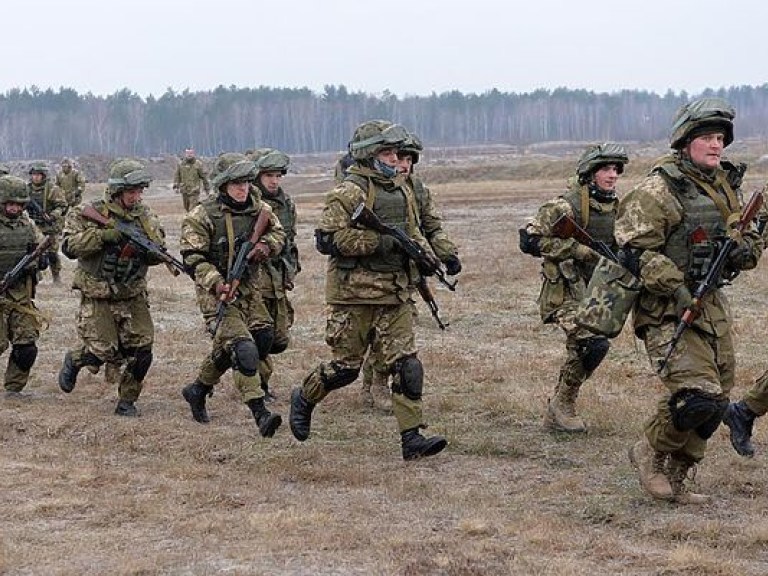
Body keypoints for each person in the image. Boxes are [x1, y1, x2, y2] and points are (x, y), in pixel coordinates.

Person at [615, 97, 763, 503]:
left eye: (720, 139)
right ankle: (649, 451)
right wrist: (677, 288)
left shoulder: (724, 187)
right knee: (699, 394)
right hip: (666, 307)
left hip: (711, 305)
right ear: (685, 141)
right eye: (707, 138)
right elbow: (633, 251)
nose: (716, 146)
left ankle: (678, 477)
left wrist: (746, 244)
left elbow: (742, 244)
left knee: (717, 402)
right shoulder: (658, 189)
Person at [289, 119, 448, 460]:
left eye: (396, 152)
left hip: (395, 293)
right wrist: (381, 243)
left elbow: (412, 231)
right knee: (345, 369)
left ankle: (412, 439)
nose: (396, 159)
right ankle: (304, 397)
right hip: (354, 295)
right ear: (370, 155)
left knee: (408, 366)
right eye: (388, 152)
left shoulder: (403, 190)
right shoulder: (349, 192)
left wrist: (428, 258)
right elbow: (328, 240)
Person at [521, 143, 629, 433]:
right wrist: (576, 249)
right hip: (566, 289)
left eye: (616, 169)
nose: (613, 175)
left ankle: (559, 407)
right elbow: (528, 241)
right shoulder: (565, 205)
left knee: (587, 351)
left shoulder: (616, 208)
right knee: (591, 342)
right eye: (606, 169)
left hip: (597, 292)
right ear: (590, 173)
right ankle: (563, 405)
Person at [179, 152, 285, 437]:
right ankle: (260, 412)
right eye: (236, 183)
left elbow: (278, 235)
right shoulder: (201, 215)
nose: (243, 189)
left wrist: (265, 247)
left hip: (251, 291)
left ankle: (198, 389)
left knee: (262, 339)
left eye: (247, 183)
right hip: (217, 295)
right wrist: (215, 282)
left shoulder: (260, 208)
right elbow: (192, 258)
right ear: (223, 185)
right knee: (243, 349)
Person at [57, 158, 169, 417]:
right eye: (132, 191)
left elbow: (157, 249)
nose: (136, 196)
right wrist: (103, 236)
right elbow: (69, 247)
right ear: (118, 190)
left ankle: (127, 401)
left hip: (132, 292)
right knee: (103, 350)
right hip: (98, 292)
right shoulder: (89, 211)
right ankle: (76, 359)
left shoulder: (145, 216)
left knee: (143, 349)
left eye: (140, 191)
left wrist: (151, 252)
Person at [359, 131, 462, 410]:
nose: (403, 164)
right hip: (372, 272)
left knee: (397, 332)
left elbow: (431, 226)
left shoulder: (416, 188)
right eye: (398, 157)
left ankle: (379, 384)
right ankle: (373, 385)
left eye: (408, 159)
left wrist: (446, 254)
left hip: (406, 272)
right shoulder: (372, 188)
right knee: (374, 335)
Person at [251, 148, 300, 402]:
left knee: (279, 340)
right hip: (255, 278)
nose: (274, 180)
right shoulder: (249, 203)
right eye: (268, 175)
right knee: (260, 334)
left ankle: (225, 363)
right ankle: (258, 385)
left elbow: (290, 242)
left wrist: (291, 270)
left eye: (278, 175)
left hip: (277, 278)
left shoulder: (286, 203)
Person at [0, 175, 47, 398]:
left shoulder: (27, 225)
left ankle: (13, 389)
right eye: (10, 204)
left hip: (20, 294)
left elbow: (39, 246)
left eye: (19, 204)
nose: (15, 208)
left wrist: (40, 260)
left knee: (27, 345)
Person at [25, 162, 67, 284]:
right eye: (33, 174)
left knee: (52, 253)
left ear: (44, 176)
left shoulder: (53, 189)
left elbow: (61, 206)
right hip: (33, 225)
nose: (36, 177)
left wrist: (53, 215)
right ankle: (35, 277)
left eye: (38, 175)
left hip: (49, 225)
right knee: (33, 253)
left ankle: (56, 276)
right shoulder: (27, 190)